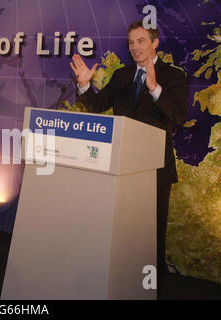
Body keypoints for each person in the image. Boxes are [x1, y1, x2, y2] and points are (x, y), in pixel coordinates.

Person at [70, 21, 188, 282]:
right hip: (120, 167)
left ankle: (151, 286)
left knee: (150, 235)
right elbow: (98, 106)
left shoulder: (173, 76)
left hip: (155, 170)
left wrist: (155, 89)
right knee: (121, 232)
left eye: (141, 41)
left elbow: (178, 116)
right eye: (131, 42)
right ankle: (121, 282)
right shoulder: (122, 75)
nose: (135, 47)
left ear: (155, 42)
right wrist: (85, 86)